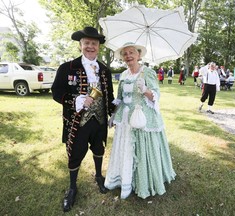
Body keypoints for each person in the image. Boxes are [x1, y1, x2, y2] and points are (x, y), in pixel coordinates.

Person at [51, 26, 115, 212]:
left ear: (98, 47)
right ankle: (72, 187)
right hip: (77, 122)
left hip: (100, 120)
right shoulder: (67, 68)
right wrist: (75, 100)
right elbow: (56, 92)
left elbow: (109, 95)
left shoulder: (105, 70)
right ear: (80, 45)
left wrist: (114, 112)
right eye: (86, 43)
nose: (90, 46)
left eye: (93, 43)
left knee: (99, 148)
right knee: (75, 154)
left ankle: (98, 176)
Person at [104, 42, 176, 199]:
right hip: (125, 119)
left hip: (142, 118)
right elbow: (120, 98)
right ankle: (124, 179)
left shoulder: (147, 72)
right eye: (125, 54)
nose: (128, 56)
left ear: (139, 55)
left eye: (131, 53)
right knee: (125, 149)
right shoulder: (123, 75)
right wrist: (114, 116)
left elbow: (156, 95)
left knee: (142, 149)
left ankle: (143, 181)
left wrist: (145, 90)